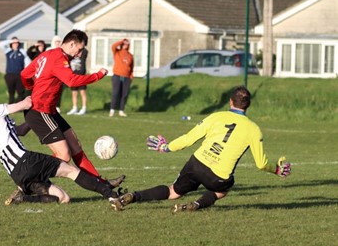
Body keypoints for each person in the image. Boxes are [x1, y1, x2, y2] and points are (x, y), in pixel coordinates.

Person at [110, 86, 292, 212]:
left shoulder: (216, 116)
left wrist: (166, 148)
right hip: (218, 176)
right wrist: (276, 170)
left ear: (230, 102)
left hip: (197, 163)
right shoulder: (253, 128)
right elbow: (261, 164)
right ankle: (195, 205)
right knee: (222, 191)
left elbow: (189, 138)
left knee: (173, 191)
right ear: (248, 105)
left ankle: (133, 196)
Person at [0, 85, 121, 204]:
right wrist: (40, 96)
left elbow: (20, 131)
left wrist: (34, 122)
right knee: (71, 171)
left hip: (16, 174)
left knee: (64, 199)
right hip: (26, 161)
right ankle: (110, 193)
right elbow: (27, 103)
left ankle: (24, 198)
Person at [20, 29, 125, 188]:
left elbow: (25, 74)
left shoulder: (48, 54)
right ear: (71, 43)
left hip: (49, 110)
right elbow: (72, 81)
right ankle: (27, 183)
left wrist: (31, 88)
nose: (80, 53)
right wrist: (98, 75)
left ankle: (102, 184)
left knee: (75, 145)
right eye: (80, 49)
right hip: (40, 111)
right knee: (63, 155)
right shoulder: (58, 58)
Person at [0, 37, 31, 104]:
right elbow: (0, 44)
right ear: (11, 44)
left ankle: (20, 106)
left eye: (17, 43)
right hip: (10, 74)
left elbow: (28, 62)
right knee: (11, 91)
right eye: (14, 43)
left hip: (19, 74)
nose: (15, 44)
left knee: (20, 91)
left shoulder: (22, 51)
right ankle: (11, 104)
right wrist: (11, 40)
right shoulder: (8, 51)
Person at [110, 38, 134, 117]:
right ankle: (112, 110)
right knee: (115, 93)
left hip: (126, 77)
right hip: (117, 75)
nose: (125, 46)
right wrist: (122, 41)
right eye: (124, 44)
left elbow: (132, 67)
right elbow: (113, 46)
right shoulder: (117, 52)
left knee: (124, 94)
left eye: (127, 44)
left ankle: (121, 110)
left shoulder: (130, 56)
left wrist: (131, 75)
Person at [66, 47, 89, 115]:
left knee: (82, 92)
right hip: (73, 76)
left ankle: (84, 108)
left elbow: (85, 52)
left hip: (81, 76)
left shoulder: (83, 51)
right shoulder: (71, 53)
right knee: (74, 93)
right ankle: (74, 107)